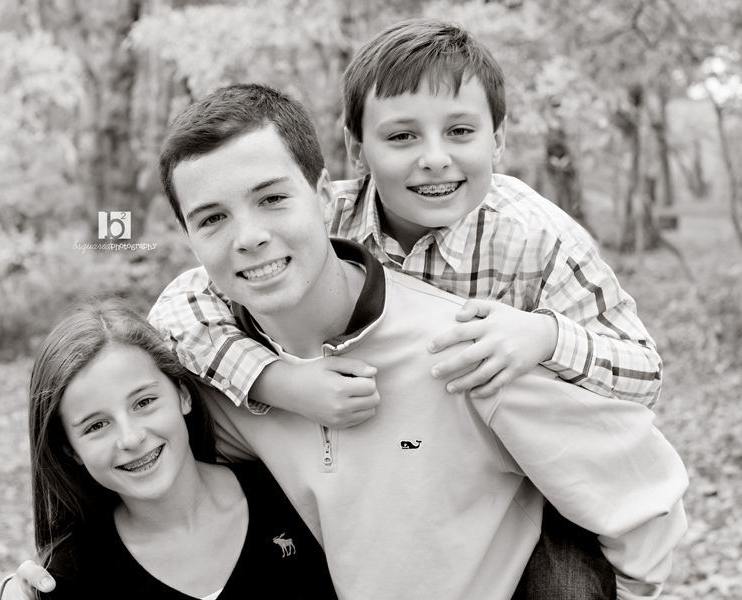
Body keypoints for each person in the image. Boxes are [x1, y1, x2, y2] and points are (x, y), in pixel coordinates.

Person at [9, 83, 687, 600]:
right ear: (189, 238)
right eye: (212, 218)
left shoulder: (465, 348)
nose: (248, 237)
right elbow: (138, 468)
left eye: (272, 198)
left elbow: (644, 506)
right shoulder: (216, 384)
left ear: (324, 194)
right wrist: (43, 582)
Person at [149, 19, 665, 596]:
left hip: (531, 484)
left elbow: (643, 373)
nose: (435, 159)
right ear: (357, 150)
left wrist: (544, 336)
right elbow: (176, 312)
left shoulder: (535, 237)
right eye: (401, 137)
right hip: (401, 476)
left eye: (460, 131)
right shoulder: (328, 220)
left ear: (497, 139)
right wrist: (280, 382)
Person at [3, 297, 336, 600]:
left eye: (144, 402)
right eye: (96, 426)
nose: (131, 438)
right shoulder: (65, 581)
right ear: (71, 450)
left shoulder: (293, 495)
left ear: (183, 395)